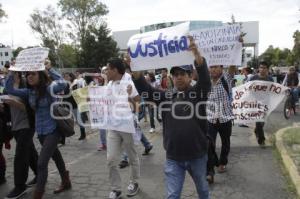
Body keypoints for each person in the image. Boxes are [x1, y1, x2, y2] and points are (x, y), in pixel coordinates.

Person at [132, 37, 210, 199]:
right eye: (175, 75)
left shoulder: (199, 93)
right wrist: (136, 69)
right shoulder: (165, 96)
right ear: (171, 78)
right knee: (172, 195)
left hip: (197, 156)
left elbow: (205, 79)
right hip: (174, 158)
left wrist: (196, 54)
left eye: (182, 74)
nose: (178, 77)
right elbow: (144, 88)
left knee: (202, 190)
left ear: (190, 76)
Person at [5, 59, 71, 199]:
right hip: (40, 132)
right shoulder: (29, 92)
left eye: (33, 74)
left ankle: (38, 195)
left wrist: (50, 68)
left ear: (40, 75)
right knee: (56, 156)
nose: (29, 76)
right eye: (27, 74)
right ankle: (66, 181)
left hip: (53, 130)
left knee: (41, 163)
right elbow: (10, 90)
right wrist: (12, 70)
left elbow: (64, 83)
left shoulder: (49, 88)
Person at [104, 58, 141, 199]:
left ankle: (134, 182)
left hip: (127, 126)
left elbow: (137, 103)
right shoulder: (109, 84)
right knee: (111, 159)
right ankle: (116, 188)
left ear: (115, 70)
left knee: (132, 157)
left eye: (108, 69)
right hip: (112, 126)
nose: (106, 71)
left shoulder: (129, 83)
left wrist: (129, 99)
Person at [4, 72, 39, 199]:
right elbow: (7, 94)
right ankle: (39, 174)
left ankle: (20, 186)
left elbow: (32, 108)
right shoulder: (9, 86)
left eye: (12, 73)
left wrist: (15, 104)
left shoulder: (26, 87)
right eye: (8, 73)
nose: (9, 74)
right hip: (15, 125)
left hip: (27, 125)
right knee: (29, 151)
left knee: (20, 155)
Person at [206, 65, 234, 183]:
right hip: (210, 119)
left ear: (222, 68)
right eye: (211, 67)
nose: (213, 69)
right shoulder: (205, 81)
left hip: (225, 119)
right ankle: (210, 171)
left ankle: (222, 162)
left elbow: (232, 65)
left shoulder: (226, 78)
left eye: (216, 67)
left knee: (225, 142)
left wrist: (238, 46)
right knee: (208, 145)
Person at [250, 61, 274, 147]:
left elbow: (274, 90)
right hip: (256, 103)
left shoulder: (270, 79)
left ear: (267, 69)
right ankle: (261, 139)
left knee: (262, 121)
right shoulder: (253, 78)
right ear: (258, 69)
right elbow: (247, 88)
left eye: (264, 68)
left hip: (266, 103)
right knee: (259, 120)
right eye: (261, 67)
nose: (262, 69)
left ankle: (257, 130)